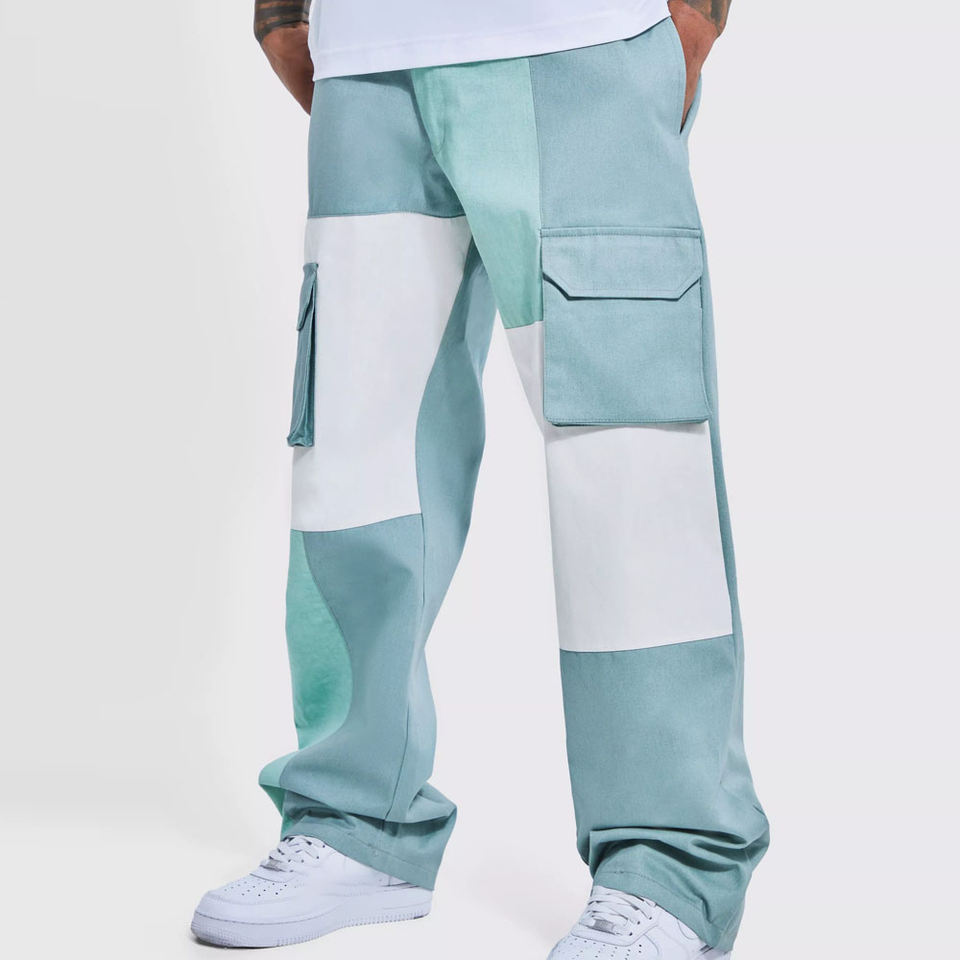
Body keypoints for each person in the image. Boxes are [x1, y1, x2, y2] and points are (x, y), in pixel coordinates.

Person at [191, 1, 769, 956]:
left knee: (627, 456)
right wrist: (285, 10)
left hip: (584, 37)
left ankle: (668, 864)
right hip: (366, 56)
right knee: (352, 457)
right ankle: (354, 819)